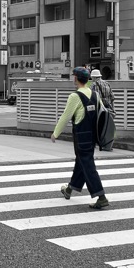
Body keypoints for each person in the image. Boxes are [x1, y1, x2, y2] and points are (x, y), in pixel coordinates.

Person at [52, 66, 109, 209]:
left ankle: (101, 197)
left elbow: (66, 116)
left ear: (76, 78)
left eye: (74, 76)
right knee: (81, 162)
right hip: (92, 136)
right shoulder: (95, 95)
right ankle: (69, 189)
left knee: (87, 165)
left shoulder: (75, 96)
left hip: (81, 136)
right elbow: (102, 112)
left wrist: (56, 133)